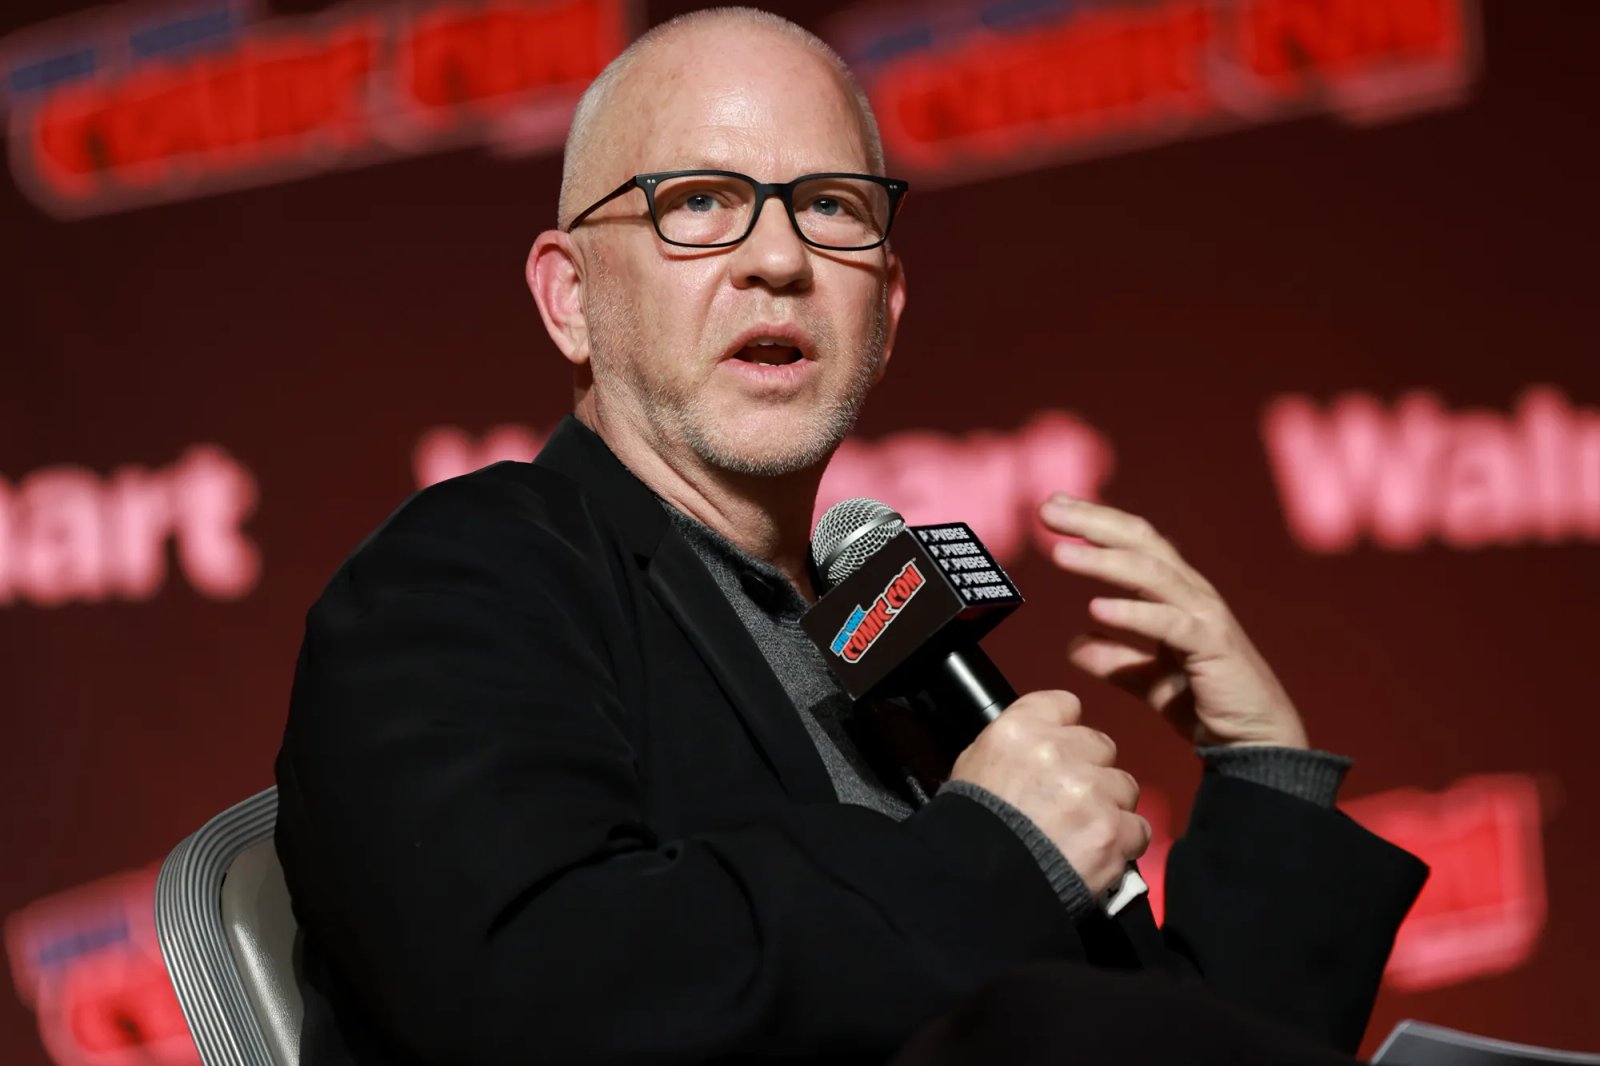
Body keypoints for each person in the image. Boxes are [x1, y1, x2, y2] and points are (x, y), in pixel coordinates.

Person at [273, 8, 1427, 1065]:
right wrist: (991, 854)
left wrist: (1262, 769)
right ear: (569, 296)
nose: (778, 260)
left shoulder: (881, 638)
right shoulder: (471, 570)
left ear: (887, 307)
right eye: (698, 201)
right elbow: (534, 985)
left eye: (829, 206)